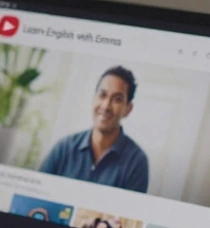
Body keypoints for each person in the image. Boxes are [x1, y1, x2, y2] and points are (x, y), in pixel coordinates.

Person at [38, 65, 150, 193]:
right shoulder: (64, 148)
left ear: (128, 109)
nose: (106, 106)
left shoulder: (136, 162)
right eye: (102, 95)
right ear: (94, 98)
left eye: (117, 99)